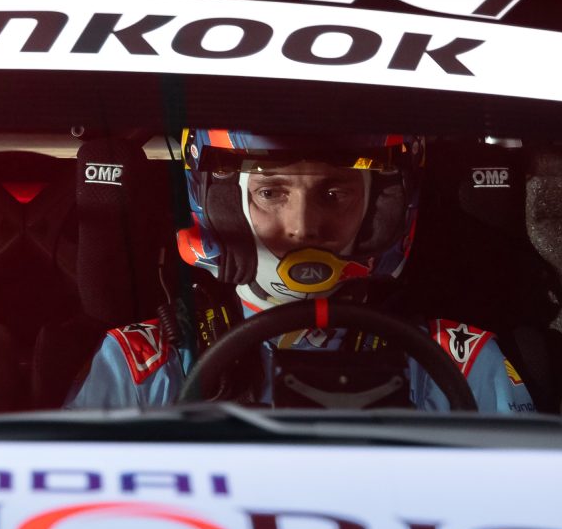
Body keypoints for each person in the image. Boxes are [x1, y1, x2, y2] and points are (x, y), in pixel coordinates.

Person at [69, 129, 535, 413]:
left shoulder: (457, 362)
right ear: (224, 205)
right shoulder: (141, 363)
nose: (304, 227)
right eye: (271, 193)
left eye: (335, 195)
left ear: (381, 209)